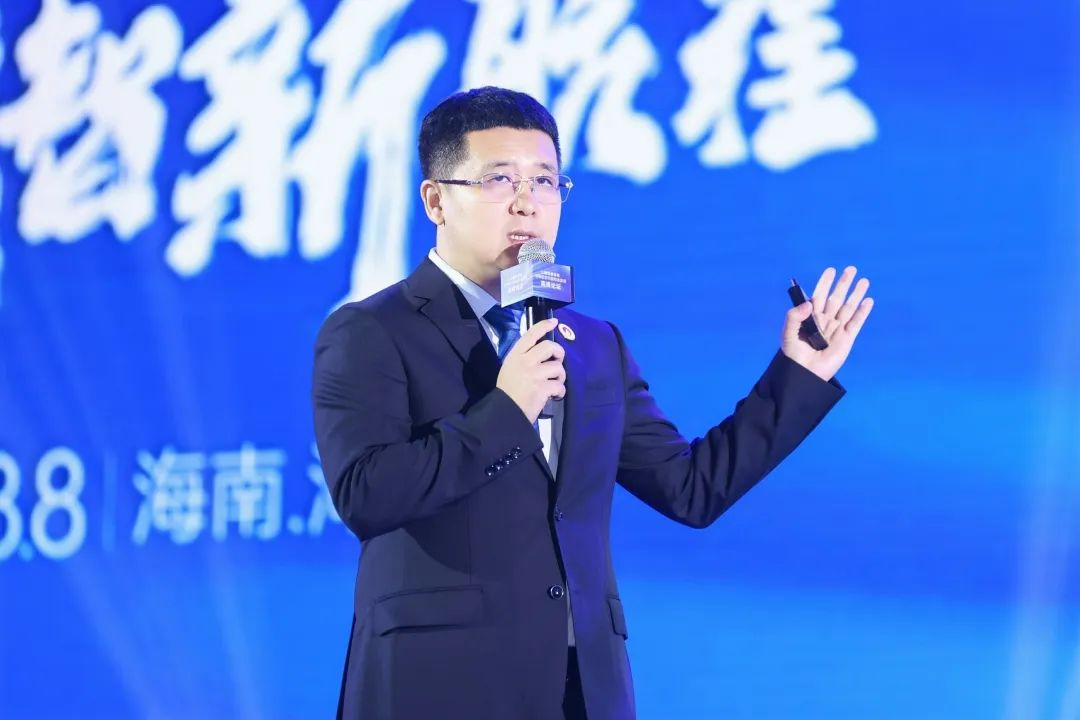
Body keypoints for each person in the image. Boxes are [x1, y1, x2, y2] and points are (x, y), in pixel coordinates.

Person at [312, 86, 873, 720]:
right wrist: (507, 410)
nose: (527, 202)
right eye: (499, 179)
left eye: (545, 181)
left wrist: (797, 375)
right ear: (436, 199)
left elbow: (691, 488)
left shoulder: (593, 345)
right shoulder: (373, 330)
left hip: (581, 687)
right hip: (438, 684)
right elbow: (367, 494)